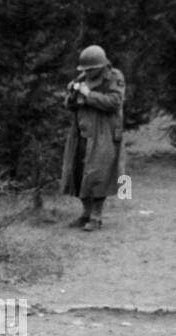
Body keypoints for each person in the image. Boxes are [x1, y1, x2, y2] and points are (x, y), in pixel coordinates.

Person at [61, 45, 125, 232]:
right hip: (81, 132)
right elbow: (69, 104)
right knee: (78, 172)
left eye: (90, 69)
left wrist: (88, 94)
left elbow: (115, 102)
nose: (87, 73)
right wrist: (72, 94)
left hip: (104, 133)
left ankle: (97, 216)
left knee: (99, 174)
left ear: (101, 66)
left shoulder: (115, 77)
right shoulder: (82, 79)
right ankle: (86, 213)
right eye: (84, 70)